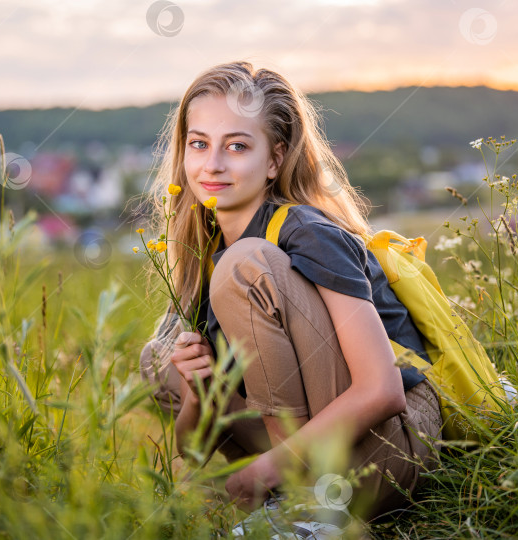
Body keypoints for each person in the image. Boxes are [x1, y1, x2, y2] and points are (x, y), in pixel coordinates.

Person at [138, 61, 443, 523]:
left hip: (389, 448)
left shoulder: (306, 231)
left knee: (244, 268)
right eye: (199, 144)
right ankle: (298, 501)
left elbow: (382, 391)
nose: (213, 164)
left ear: (275, 159)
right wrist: (199, 394)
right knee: (158, 358)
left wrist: (266, 470)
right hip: (321, 449)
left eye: (237, 146)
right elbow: (193, 453)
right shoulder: (206, 253)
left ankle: (304, 510)